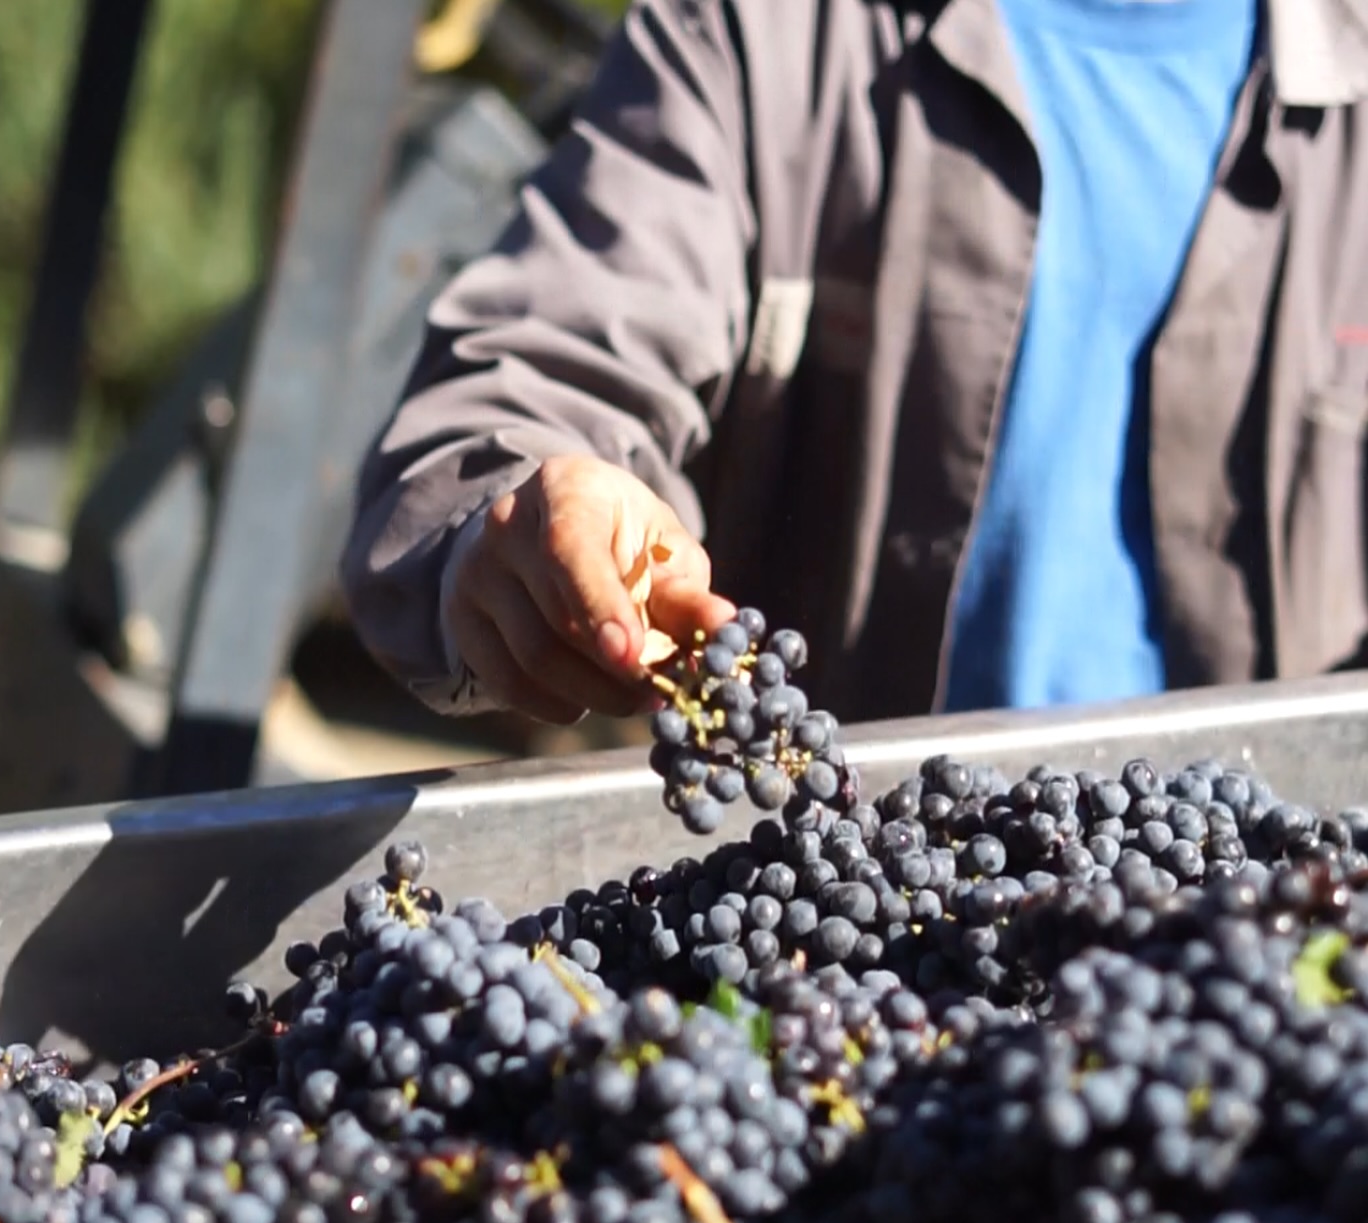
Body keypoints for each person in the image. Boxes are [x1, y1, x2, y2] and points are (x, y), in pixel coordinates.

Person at [342, 0, 1368, 734]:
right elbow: (546, 365)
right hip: (834, 919)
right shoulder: (762, 36)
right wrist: (529, 515)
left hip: (1261, 925)